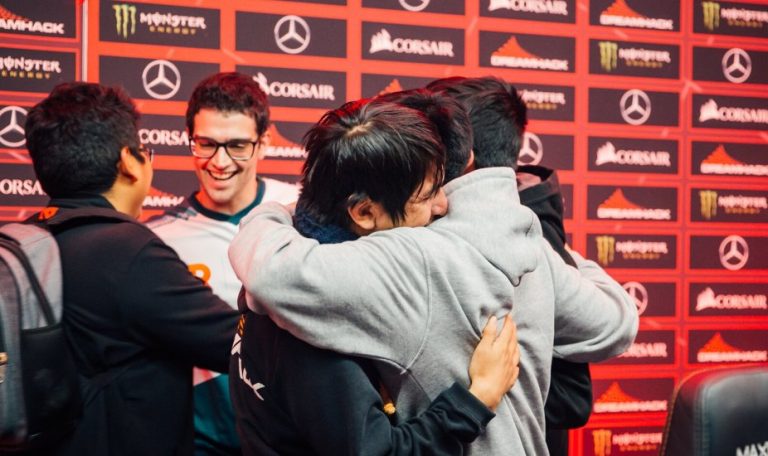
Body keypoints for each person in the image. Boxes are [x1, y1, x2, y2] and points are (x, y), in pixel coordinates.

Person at [229, 96, 638, 454]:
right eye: (427, 195)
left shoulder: (314, 262)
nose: (442, 206)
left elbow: (269, 271)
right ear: (364, 212)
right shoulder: (409, 263)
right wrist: (475, 400)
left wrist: (275, 213)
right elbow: (616, 324)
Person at [23, 82, 239, 455]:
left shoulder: (28, 240)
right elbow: (232, 342)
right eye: (144, 151)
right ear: (128, 162)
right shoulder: (127, 250)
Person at [427, 75, 593, 456]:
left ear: (463, 154)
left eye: (431, 137)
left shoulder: (528, 233)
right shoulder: (451, 226)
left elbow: (573, 394)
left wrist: (484, 389)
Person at [147, 72, 298, 455]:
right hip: (205, 441)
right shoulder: (158, 240)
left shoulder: (301, 212)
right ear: (190, 140)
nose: (219, 161)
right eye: (207, 144)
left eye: (237, 146)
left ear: (264, 144)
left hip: (292, 436)